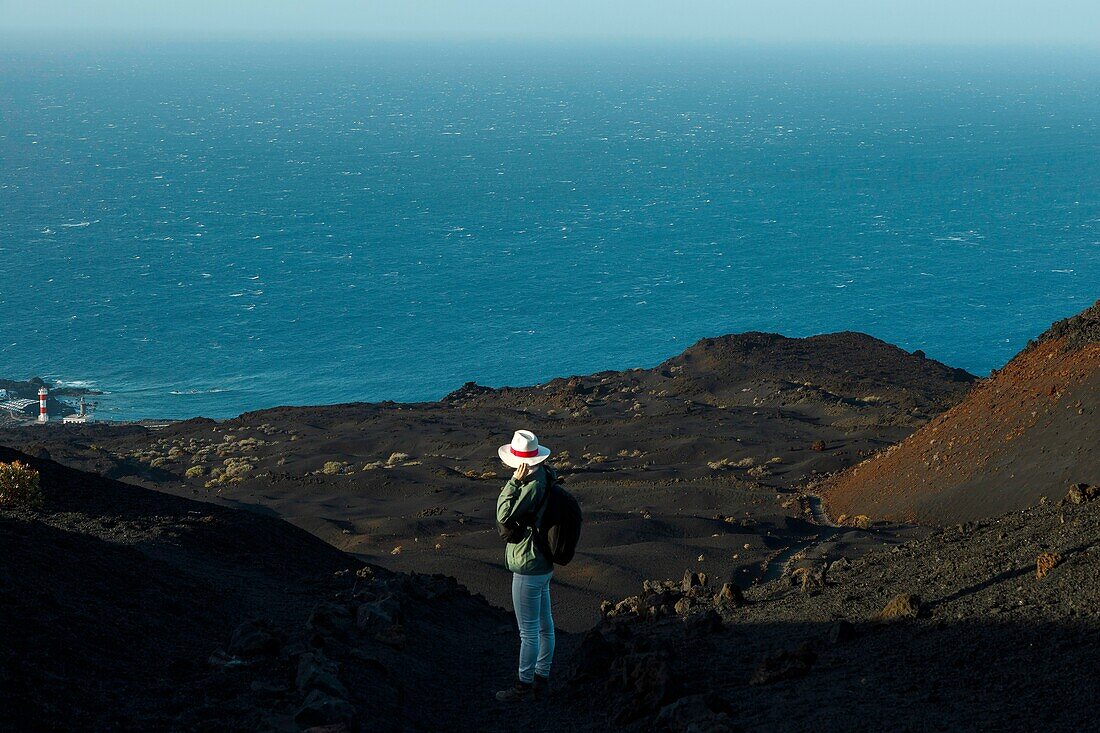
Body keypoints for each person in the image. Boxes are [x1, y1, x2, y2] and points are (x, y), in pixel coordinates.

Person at [494, 429, 555, 702]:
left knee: (528, 632)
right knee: (545, 627)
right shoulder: (545, 477)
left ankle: (523, 685)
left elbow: (503, 514)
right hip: (543, 564)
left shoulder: (530, 486)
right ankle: (541, 677)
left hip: (528, 564)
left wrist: (513, 483)